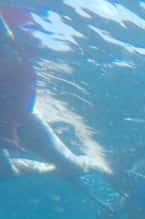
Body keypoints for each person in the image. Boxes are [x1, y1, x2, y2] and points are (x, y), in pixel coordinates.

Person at [0, 6, 109, 180]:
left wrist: (10, 124)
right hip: (13, 109)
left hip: (17, 111)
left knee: (71, 165)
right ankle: (51, 169)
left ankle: (102, 168)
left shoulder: (8, 51)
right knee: (6, 172)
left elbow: (16, 66)